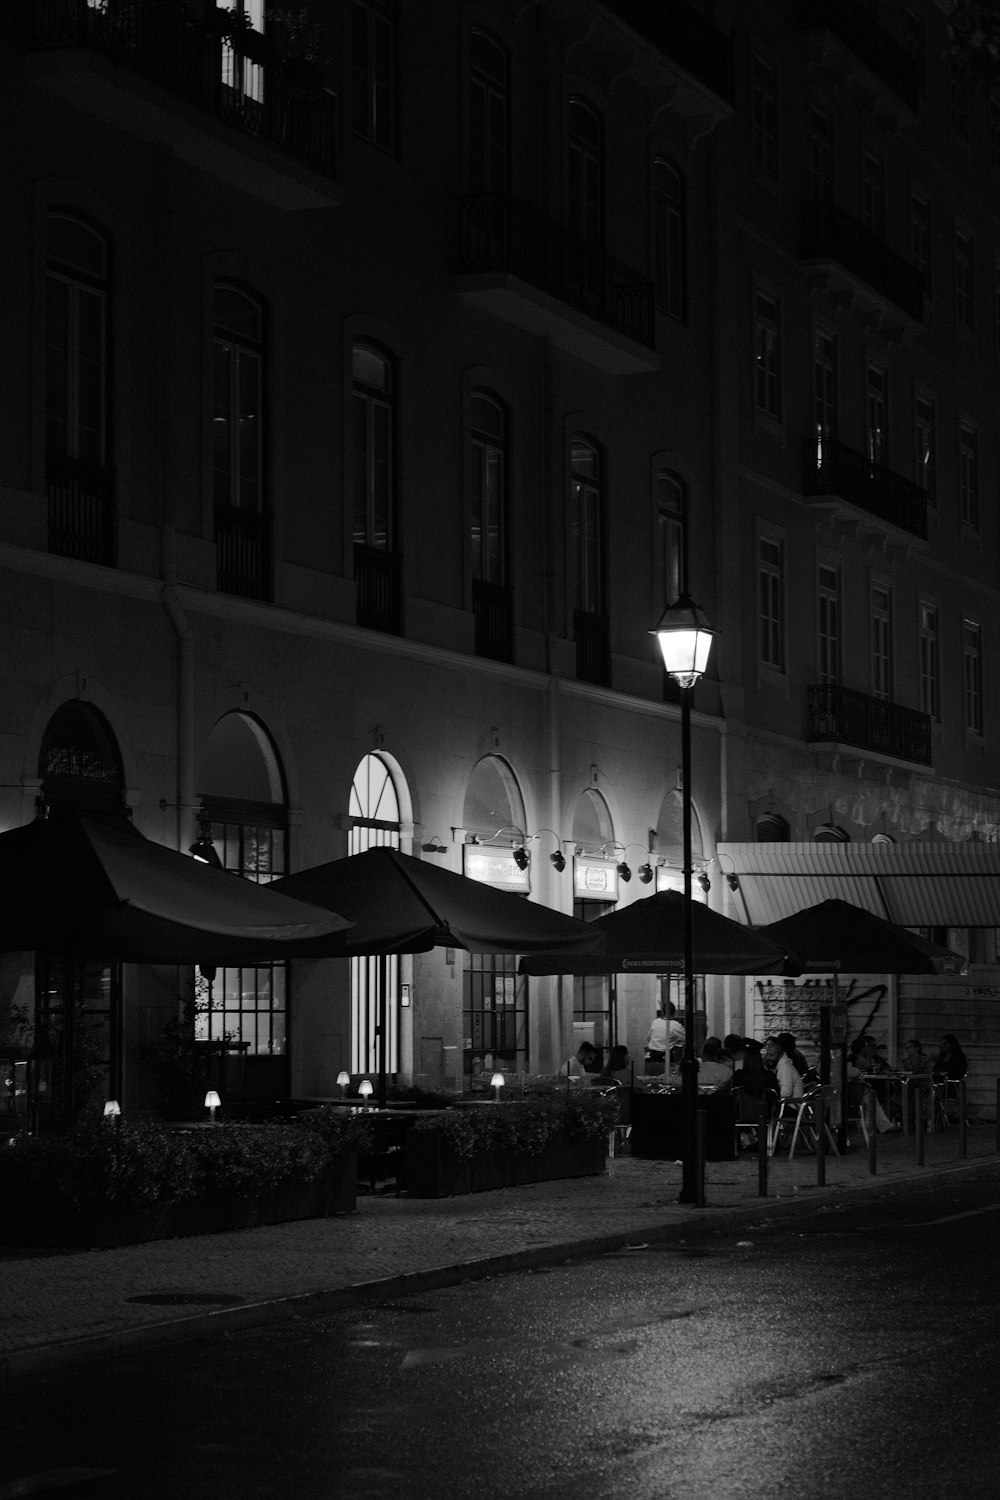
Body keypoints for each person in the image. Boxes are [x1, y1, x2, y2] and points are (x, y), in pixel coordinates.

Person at [645, 1002, 683, 1075]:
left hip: (651, 1057)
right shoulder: (675, 1025)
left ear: (663, 1011)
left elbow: (649, 1038)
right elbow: (687, 1039)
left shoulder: (655, 1022)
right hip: (665, 1058)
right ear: (674, 1012)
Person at [763, 1034, 804, 1101]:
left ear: (779, 1055)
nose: (767, 1058)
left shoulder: (785, 1068)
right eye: (767, 1054)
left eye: (771, 1055)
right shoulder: (781, 1067)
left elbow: (786, 1094)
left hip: (791, 1107)